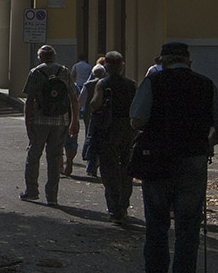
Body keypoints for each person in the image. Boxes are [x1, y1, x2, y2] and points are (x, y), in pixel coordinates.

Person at [130, 42, 218, 273]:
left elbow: (136, 119)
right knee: (188, 229)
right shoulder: (206, 84)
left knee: (156, 224)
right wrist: (208, 142)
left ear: (162, 62)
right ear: (189, 62)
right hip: (193, 160)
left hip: (158, 159)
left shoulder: (153, 82)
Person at [20, 45, 79, 204]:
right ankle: (52, 196)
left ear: (40, 57)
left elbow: (29, 101)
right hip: (61, 121)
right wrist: (74, 121)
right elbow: (74, 99)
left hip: (40, 120)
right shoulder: (64, 72)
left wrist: (28, 125)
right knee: (55, 157)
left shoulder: (35, 72)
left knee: (34, 156)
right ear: (54, 56)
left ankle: (32, 191)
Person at [90, 52, 137, 224]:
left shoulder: (103, 83)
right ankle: (123, 205)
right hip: (129, 129)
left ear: (107, 68)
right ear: (122, 66)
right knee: (126, 168)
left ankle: (114, 207)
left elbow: (95, 104)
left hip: (109, 129)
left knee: (109, 169)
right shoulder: (132, 84)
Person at [78, 64, 107, 177]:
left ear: (93, 73)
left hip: (90, 115)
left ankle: (91, 165)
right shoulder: (107, 83)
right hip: (105, 116)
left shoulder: (88, 85)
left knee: (90, 138)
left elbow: (81, 101)